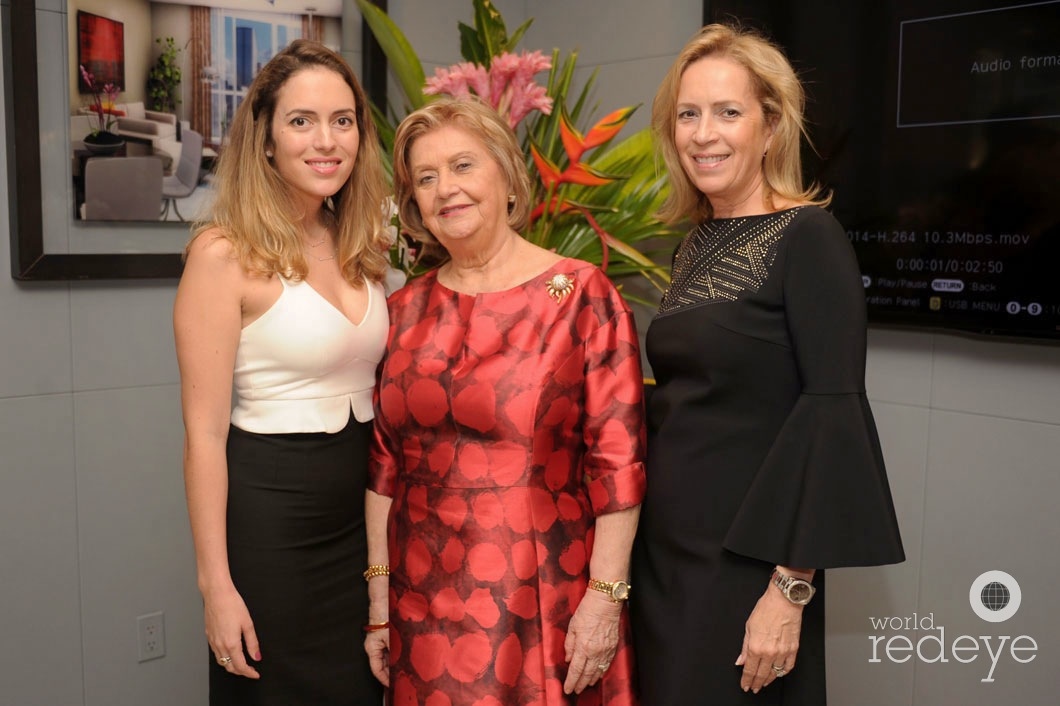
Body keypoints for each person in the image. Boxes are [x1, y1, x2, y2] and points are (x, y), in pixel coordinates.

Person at [631, 24, 905, 705]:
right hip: (667, 553)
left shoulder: (808, 237)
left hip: (745, 564)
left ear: (771, 125)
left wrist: (790, 588)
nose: (704, 134)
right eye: (688, 115)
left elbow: (830, 415)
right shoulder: (695, 243)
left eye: (728, 112)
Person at [363, 98, 646, 705]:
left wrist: (606, 595)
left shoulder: (579, 296)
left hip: (542, 593)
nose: (447, 190)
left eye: (463, 166)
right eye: (427, 178)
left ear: (506, 175)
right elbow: (384, 465)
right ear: (413, 203)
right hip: (420, 602)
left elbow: (617, 461)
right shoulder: (402, 310)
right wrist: (379, 604)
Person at [173, 39, 388, 705]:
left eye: (342, 120)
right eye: (302, 122)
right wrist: (216, 586)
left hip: (363, 522)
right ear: (265, 140)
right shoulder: (222, 254)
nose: (326, 141)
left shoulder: (367, 242)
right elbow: (204, 437)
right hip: (273, 524)